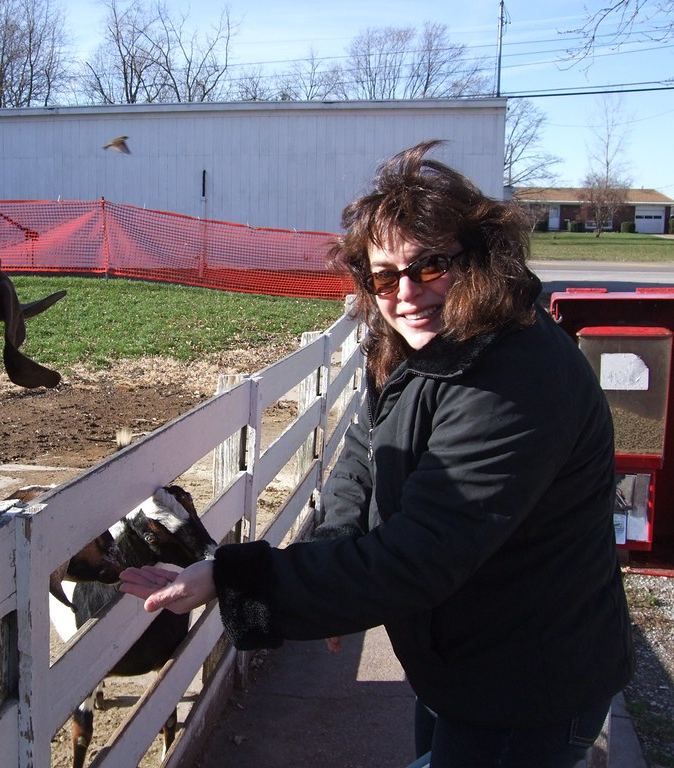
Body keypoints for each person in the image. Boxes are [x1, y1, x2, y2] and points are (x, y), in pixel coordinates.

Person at [119, 140, 634, 768]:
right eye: (383, 276)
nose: (405, 293)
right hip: (458, 663)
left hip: (526, 686)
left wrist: (232, 578)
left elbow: (421, 554)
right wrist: (326, 562)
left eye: (429, 267)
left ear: (480, 261)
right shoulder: (422, 346)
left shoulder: (515, 379)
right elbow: (365, 456)